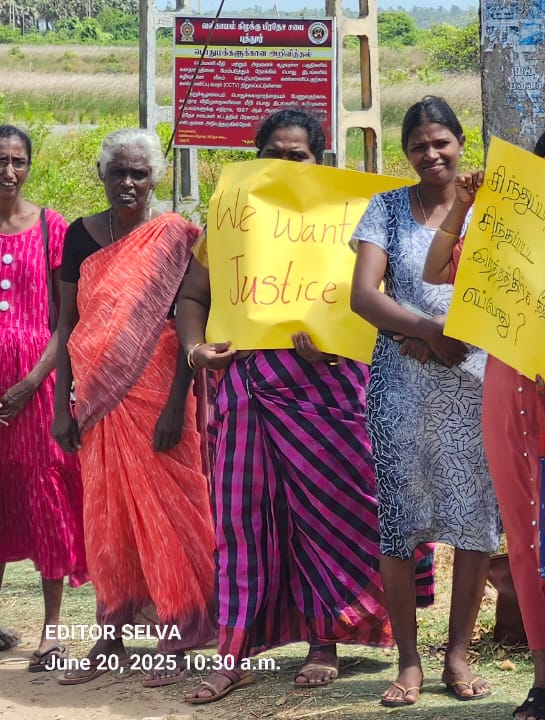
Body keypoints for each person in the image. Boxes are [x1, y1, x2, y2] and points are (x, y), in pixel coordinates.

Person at [177, 108, 396, 704]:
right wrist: (196, 349)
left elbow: (379, 294)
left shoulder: (350, 214)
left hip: (328, 386)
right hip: (246, 388)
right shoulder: (231, 218)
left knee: (327, 513)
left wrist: (335, 340)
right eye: (273, 153)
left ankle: (326, 639)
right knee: (241, 519)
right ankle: (233, 651)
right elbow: (193, 296)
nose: (285, 163)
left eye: (296, 155)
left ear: (320, 160)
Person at [423, 125, 545, 720]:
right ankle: (543, 677)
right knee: (525, 536)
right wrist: (462, 205)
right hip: (508, 390)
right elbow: (434, 271)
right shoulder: (499, 228)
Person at [50, 128, 216, 686]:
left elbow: (185, 326)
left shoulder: (173, 237)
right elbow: (67, 325)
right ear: (101, 175)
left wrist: (179, 404)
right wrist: (61, 405)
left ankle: (176, 637)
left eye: (139, 174)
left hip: (158, 398)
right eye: (118, 172)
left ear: (155, 180)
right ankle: (111, 633)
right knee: (108, 519)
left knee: (171, 514)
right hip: (96, 402)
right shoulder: (79, 237)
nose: (127, 183)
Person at [349, 96, 497, 707]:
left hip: (475, 380)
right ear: (405, 153)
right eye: (418, 146)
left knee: (474, 521)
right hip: (403, 381)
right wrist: (427, 333)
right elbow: (364, 296)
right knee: (399, 523)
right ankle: (408, 661)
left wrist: (455, 344)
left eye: (441, 143)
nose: (431, 154)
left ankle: (457, 655)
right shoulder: (385, 208)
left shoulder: (489, 209)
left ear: (460, 143)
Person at [0, 124, 88, 672]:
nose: (8, 171)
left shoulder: (51, 227)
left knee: (46, 499)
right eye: (0, 160)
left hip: (37, 385)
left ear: (30, 166)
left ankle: (52, 633)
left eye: (18, 161)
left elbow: (66, 319)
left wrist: (33, 381)